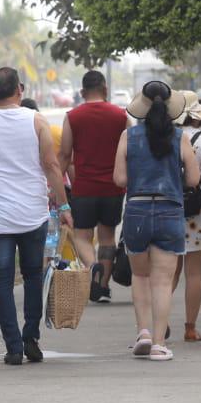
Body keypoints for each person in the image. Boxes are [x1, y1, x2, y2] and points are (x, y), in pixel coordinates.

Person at [0, 67, 71, 365]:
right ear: (20, 89)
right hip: (33, 214)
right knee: (34, 276)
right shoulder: (37, 122)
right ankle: (30, 336)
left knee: (3, 280)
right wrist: (64, 206)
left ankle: (12, 347)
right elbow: (51, 166)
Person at [112, 81, 200, 362]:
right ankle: (160, 345)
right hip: (169, 211)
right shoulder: (180, 138)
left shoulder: (128, 137)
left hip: (136, 210)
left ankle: (144, 333)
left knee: (140, 276)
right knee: (163, 282)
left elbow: (120, 179)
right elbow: (194, 179)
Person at [60, 70, 128, 303]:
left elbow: (65, 154)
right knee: (107, 237)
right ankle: (102, 287)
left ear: (82, 92)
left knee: (82, 236)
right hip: (113, 188)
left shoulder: (73, 116)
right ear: (105, 89)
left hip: (84, 188)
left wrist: (55, 185)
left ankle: (92, 266)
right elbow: (130, 151)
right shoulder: (121, 116)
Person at [172, 91, 201, 342]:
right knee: (194, 272)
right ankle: (190, 327)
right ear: (197, 117)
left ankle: (160, 323)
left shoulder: (169, 137)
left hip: (170, 207)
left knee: (169, 272)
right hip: (197, 212)